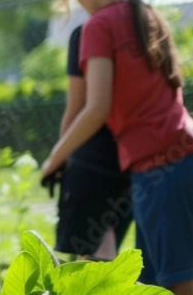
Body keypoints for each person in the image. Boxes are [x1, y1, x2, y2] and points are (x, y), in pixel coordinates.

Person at [42, 0, 193, 295]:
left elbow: (96, 108)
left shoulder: (100, 25)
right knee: (156, 282)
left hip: (166, 160)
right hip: (170, 158)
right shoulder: (146, 15)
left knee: (177, 278)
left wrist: (54, 158)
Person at [51, 24, 133, 260]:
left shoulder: (89, 32)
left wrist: (59, 158)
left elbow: (77, 107)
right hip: (136, 155)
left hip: (92, 160)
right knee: (106, 246)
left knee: (92, 257)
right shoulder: (143, 27)